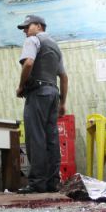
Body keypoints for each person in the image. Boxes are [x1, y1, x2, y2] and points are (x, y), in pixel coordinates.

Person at [15, 15, 68, 194]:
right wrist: (63, 102)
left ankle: (37, 182)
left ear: (38, 26)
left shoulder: (33, 40)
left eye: (26, 26)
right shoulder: (55, 46)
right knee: (52, 139)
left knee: (35, 137)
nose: (24, 31)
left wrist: (21, 85)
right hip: (53, 93)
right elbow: (64, 76)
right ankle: (53, 182)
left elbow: (29, 63)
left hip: (38, 93)